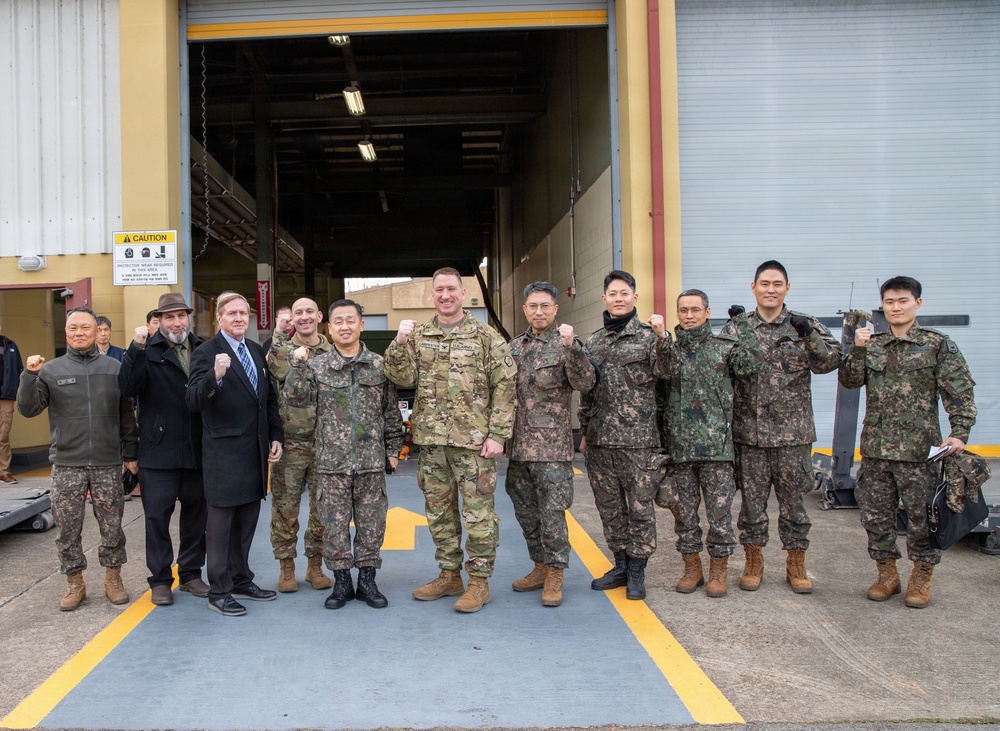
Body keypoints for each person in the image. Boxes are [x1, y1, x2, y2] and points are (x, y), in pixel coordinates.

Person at [384, 267, 517, 613]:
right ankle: (449, 574)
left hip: (474, 443)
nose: (445, 295)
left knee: (478, 515)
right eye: (439, 290)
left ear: (463, 294)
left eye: (451, 289)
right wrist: (398, 343)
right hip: (432, 442)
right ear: (433, 295)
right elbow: (401, 376)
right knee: (439, 513)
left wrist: (499, 435)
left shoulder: (485, 337)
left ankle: (479, 582)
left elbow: (505, 387)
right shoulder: (419, 334)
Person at [839, 276, 976, 608]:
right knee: (875, 517)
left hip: (919, 452)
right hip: (876, 450)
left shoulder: (936, 345)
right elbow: (850, 380)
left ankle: (921, 576)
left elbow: (959, 392)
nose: (896, 307)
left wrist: (959, 433)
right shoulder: (872, 344)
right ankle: (887, 574)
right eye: (889, 302)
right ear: (882, 306)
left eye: (902, 301)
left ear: (918, 303)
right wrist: (856, 350)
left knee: (922, 519)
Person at [721, 260, 841, 594]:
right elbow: (721, 371)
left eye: (777, 284)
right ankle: (754, 561)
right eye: (764, 283)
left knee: (795, 506)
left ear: (787, 287)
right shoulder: (736, 327)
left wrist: (808, 336)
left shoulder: (805, 324)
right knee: (751, 507)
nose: (770, 290)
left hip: (793, 435)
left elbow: (830, 363)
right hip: (750, 435)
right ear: (753, 287)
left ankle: (796, 563)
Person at [284, 299, 405, 609]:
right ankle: (341, 583)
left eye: (351, 320)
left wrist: (393, 450)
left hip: (370, 463)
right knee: (334, 526)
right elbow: (296, 399)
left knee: (372, 524)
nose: (345, 326)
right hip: (331, 463)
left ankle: (367, 581)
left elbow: (390, 411)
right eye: (338, 321)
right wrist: (297, 364)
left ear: (361, 325)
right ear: (330, 328)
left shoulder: (378, 365)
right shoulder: (316, 365)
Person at [16, 307, 138, 611]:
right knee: (67, 528)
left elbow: (126, 416)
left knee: (112, 526)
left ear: (98, 331)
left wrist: (131, 454)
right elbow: (28, 409)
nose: (79, 333)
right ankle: (75, 582)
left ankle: (113, 578)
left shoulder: (113, 368)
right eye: (73, 328)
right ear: (66, 332)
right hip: (67, 464)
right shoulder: (50, 370)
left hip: (108, 462)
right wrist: (29, 375)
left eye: (86, 327)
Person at [186, 291, 284, 617]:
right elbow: (193, 401)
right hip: (223, 455)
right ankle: (220, 589)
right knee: (220, 530)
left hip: (254, 453)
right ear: (219, 319)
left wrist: (275, 437)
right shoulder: (206, 352)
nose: (239, 318)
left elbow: (267, 399)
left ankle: (242, 579)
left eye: (244, 313)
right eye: (232, 313)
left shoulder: (255, 350)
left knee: (246, 524)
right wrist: (214, 376)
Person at [660, 289, 762, 598]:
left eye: (695, 309)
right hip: (680, 449)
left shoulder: (723, 348)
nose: (689, 315)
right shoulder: (671, 351)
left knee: (719, 514)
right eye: (683, 310)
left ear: (707, 312)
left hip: (716, 449)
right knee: (684, 515)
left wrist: (742, 323)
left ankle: (719, 569)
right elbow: (658, 378)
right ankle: (692, 568)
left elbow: (751, 364)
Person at [579, 270, 670, 600]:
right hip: (602, 442)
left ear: (634, 297)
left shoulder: (649, 338)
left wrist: (663, 338)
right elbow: (588, 391)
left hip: (638, 442)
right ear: (604, 299)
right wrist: (585, 431)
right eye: (612, 293)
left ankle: (636, 572)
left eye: (624, 293)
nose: (618, 298)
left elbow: (667, 373)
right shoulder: (594, 342)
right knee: (610, 510)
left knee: (640, 510)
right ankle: (620, 565)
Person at [506, 282, 596, 607]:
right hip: (518, 448)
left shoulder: (566, 344)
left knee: (553, 513)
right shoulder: (513, 348)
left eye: (545, 305)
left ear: (556, 309)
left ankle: (556, 572)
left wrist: (573, 348)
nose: (539, 311)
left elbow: (585, 383)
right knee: (525, 510)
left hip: (553, 449)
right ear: (525, 309)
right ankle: (540, 565)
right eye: (533, 306)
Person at [118, 293, 209, 606]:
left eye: (180, 316)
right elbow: (128, 387)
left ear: (188, 317)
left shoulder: (202, 348)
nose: (176, 322)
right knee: (157, 519)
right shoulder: (147, 350)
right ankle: (159, 580)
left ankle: (191, 574)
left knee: (197, 517)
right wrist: (135, 349)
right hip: (158, 454)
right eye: (169, 317)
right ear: (159, 320)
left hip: (197, 450)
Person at [267, 297, 333, 593]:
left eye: (309, 312)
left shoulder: (333, 351)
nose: (304, 317)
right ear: (291, 318)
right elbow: (278, 376)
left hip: (325, 443)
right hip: (291, 442)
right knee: (285, 507)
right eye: (298, 313)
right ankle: (286, 567)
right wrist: (282, 337)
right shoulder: (282, 350)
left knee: (322, 508)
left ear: (319, 316)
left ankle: (315, 565)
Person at [0, 322, 24, 484]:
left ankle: (3, 471)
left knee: (3, 435)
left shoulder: (10, 345)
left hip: (6, 396)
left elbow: (19, 370)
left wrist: (16, 391)